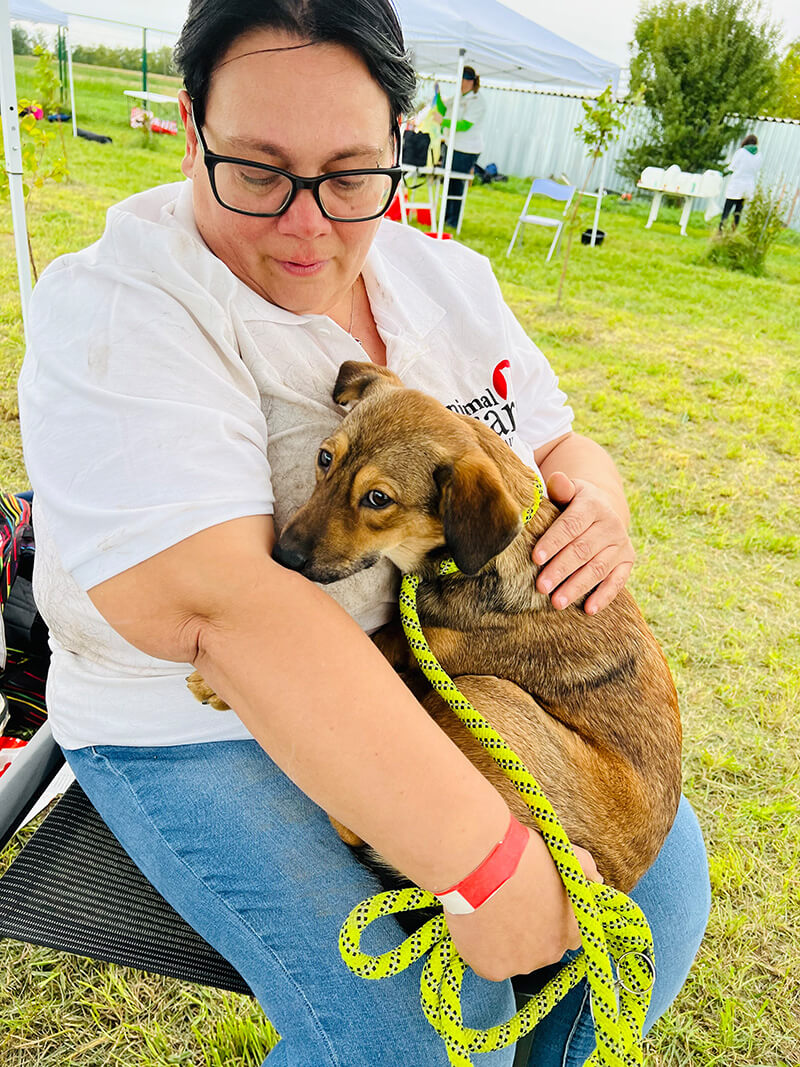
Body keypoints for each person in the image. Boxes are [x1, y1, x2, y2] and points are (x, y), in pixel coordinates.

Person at [17, 2, 710, 1064]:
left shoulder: (441, 275)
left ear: (399, 140)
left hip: (450, 682)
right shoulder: (124, 309)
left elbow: (557, 442)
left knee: (654, 915)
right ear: (192, 128)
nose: (307, 225)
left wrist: (599, 507)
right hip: (204, 721)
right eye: (258, 170)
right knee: (425, 1032)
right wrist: (482, 865)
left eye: (350, 174)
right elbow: (225, 614)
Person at [431, 65, 486, 228]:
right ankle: (445, 218)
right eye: (460, 79)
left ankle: (453, 221)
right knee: (448, 182)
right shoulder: (459, 97)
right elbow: (444, 109)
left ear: (471, 82)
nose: (461, 83)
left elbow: (465, 125)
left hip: (467, 148)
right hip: (452, 145)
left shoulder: (477, 101)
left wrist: (443, 122)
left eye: (464, 79)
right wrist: (438, 95)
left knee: (456, 183)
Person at [719, 133, 762, 231]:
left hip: (736, 185)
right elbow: (757, 169)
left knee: (727, 209)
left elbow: (732, 166)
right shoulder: (759, 155)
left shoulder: (741, 152)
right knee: (738, 211)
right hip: (748, 187)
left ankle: (721, 230)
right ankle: (733, 231)